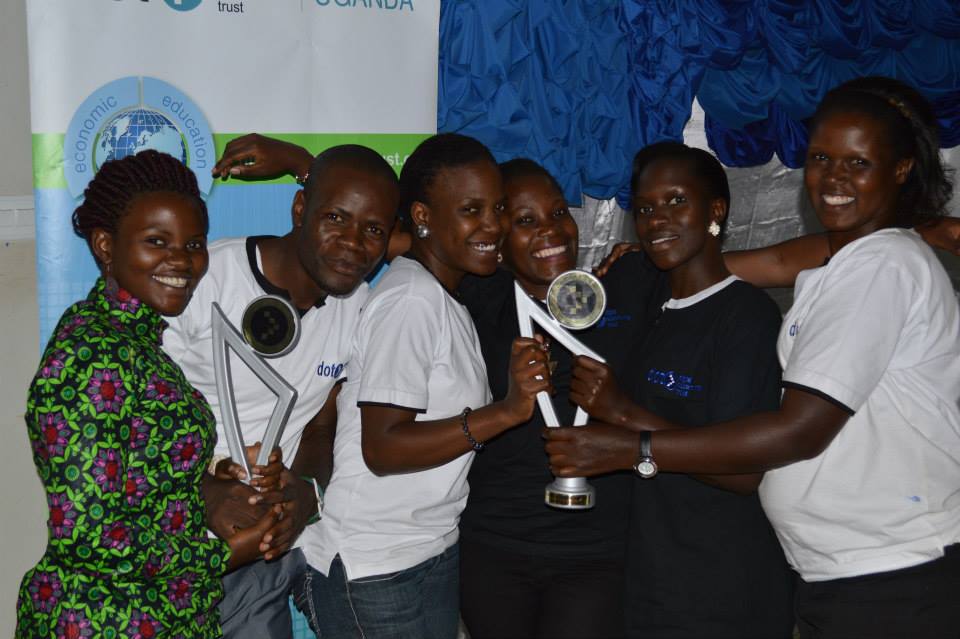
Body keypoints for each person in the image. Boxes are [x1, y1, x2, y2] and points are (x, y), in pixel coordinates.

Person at [546, 77, 960, 638]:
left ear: (902, 168)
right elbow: (773, 261)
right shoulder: (848, 264)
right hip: (845, 570)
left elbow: (798, 432)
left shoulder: (880, 267)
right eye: (820, 158)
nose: (833, 178)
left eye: (858, 163)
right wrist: (664, 255)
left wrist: (630, 444)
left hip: (893, 573)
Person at [296, 133, 551, 639]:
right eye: (471, 210)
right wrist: (505, 411)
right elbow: (383, 449)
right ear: (423, 217)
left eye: (498, 208)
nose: (493, 225)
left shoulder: (442, 294)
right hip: (373, 565)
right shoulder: (411, 300)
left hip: (426, 549)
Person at [17, 150, 278, 638]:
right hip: (104, 621)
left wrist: (204, 473)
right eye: (157, 241)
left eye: (194, 243)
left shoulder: (133, 341)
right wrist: (219, 556)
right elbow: (87, 534)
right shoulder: (91, 353)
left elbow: (136, 471)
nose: (181, 260)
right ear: (105, 245)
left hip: (166, 614)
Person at [163, 143, 401, 638]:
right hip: (162, 547)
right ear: (299, 210)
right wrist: (201, 489)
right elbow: (126, 416)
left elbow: (321, 426)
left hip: (258, 566)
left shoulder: (360, 309)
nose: (353, 244)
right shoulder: (206, 278)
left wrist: (304, 490)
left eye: (373, 230)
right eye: (335, 217)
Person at [457, 158, 662, 639]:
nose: (551, 230)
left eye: (558, 213)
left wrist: (649, 252)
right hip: (496, 546)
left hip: (595, 552)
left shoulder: (621, 288)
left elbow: (719, 268)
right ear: (498, 240)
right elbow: (414, 239)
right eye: (525, 220)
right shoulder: (480, 299)